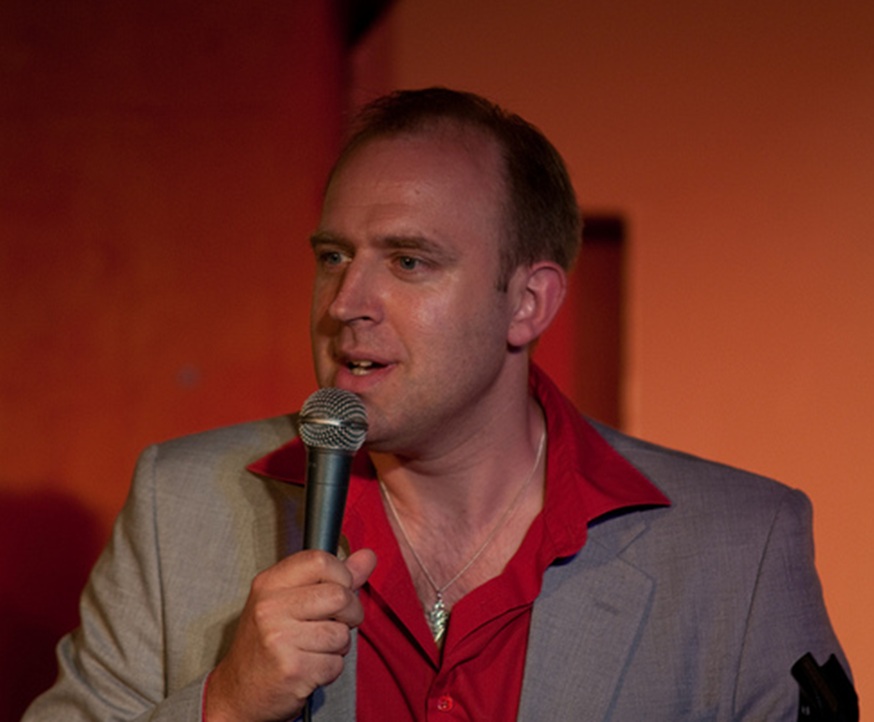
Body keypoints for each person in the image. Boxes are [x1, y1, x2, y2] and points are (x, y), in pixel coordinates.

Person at [24, 88, 851, 722]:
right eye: (333, 255)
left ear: (527, 304)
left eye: (410, 262)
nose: (346, 300)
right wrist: (224, 705)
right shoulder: (182, 503)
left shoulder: (736, 545)